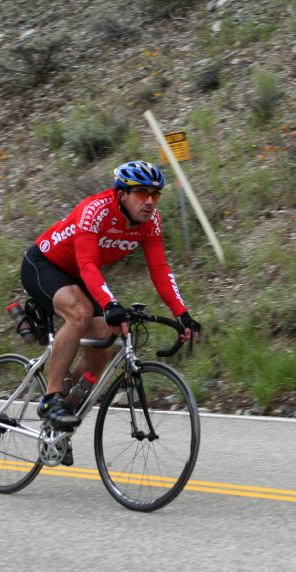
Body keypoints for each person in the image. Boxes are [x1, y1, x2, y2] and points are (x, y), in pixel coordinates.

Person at [20, 160, 201, 440]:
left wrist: (183, 314)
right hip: (44, 264)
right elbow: (88, 264)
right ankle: (51, 398)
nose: (150, 201)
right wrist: (109, 304)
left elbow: (160, 270)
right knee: (80, 312)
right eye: (142, 193)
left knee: (108, 333)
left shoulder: (149, 222)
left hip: (79, 273)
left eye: (156, 194)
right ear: (122, 194)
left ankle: (68, 402)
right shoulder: (95, 210)